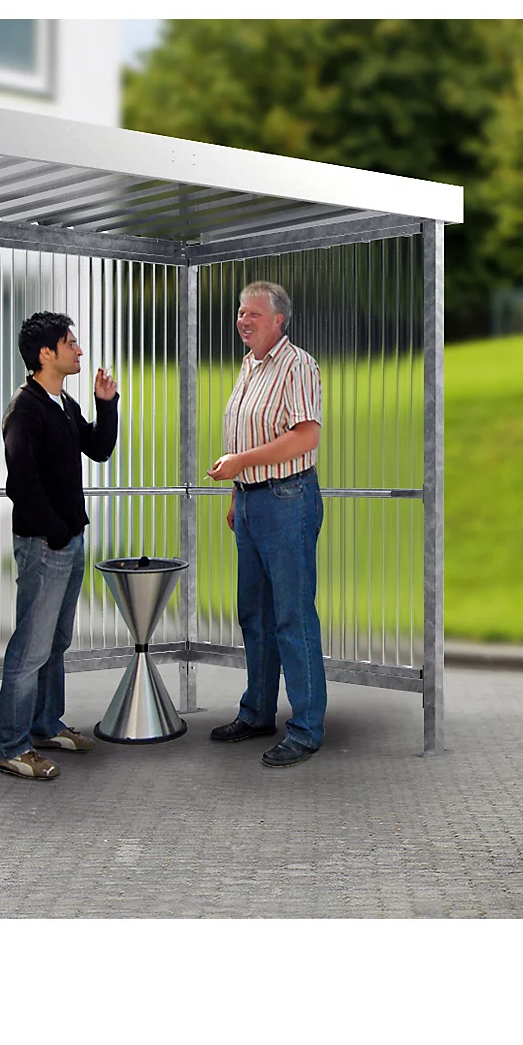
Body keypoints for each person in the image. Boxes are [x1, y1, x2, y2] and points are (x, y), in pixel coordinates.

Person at [0, 312, 119, 780]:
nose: (79, 350)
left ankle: (45, 725)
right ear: (46, 354)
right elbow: (21, 484)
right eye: (70, 343)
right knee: (30, 647)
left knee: (56, 641)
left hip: (68, 540)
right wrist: (56, 532)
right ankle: (12, 745)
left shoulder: (63, 403)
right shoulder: (25, 410)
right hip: (45, 544)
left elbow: (99, 448)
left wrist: (105, 404)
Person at [206, 281, 326, 768]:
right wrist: (239, 492)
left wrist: (240, 463)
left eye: (253, 313)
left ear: (279, 320)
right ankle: (257, 712)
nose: (243, 320)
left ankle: (307, 728)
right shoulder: (250, 366)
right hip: (253, 501)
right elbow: (245, 432)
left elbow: (305, 437)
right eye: (240, 312)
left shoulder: (298, 365)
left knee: (292, 616)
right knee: (254, 614)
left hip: (287, 499)